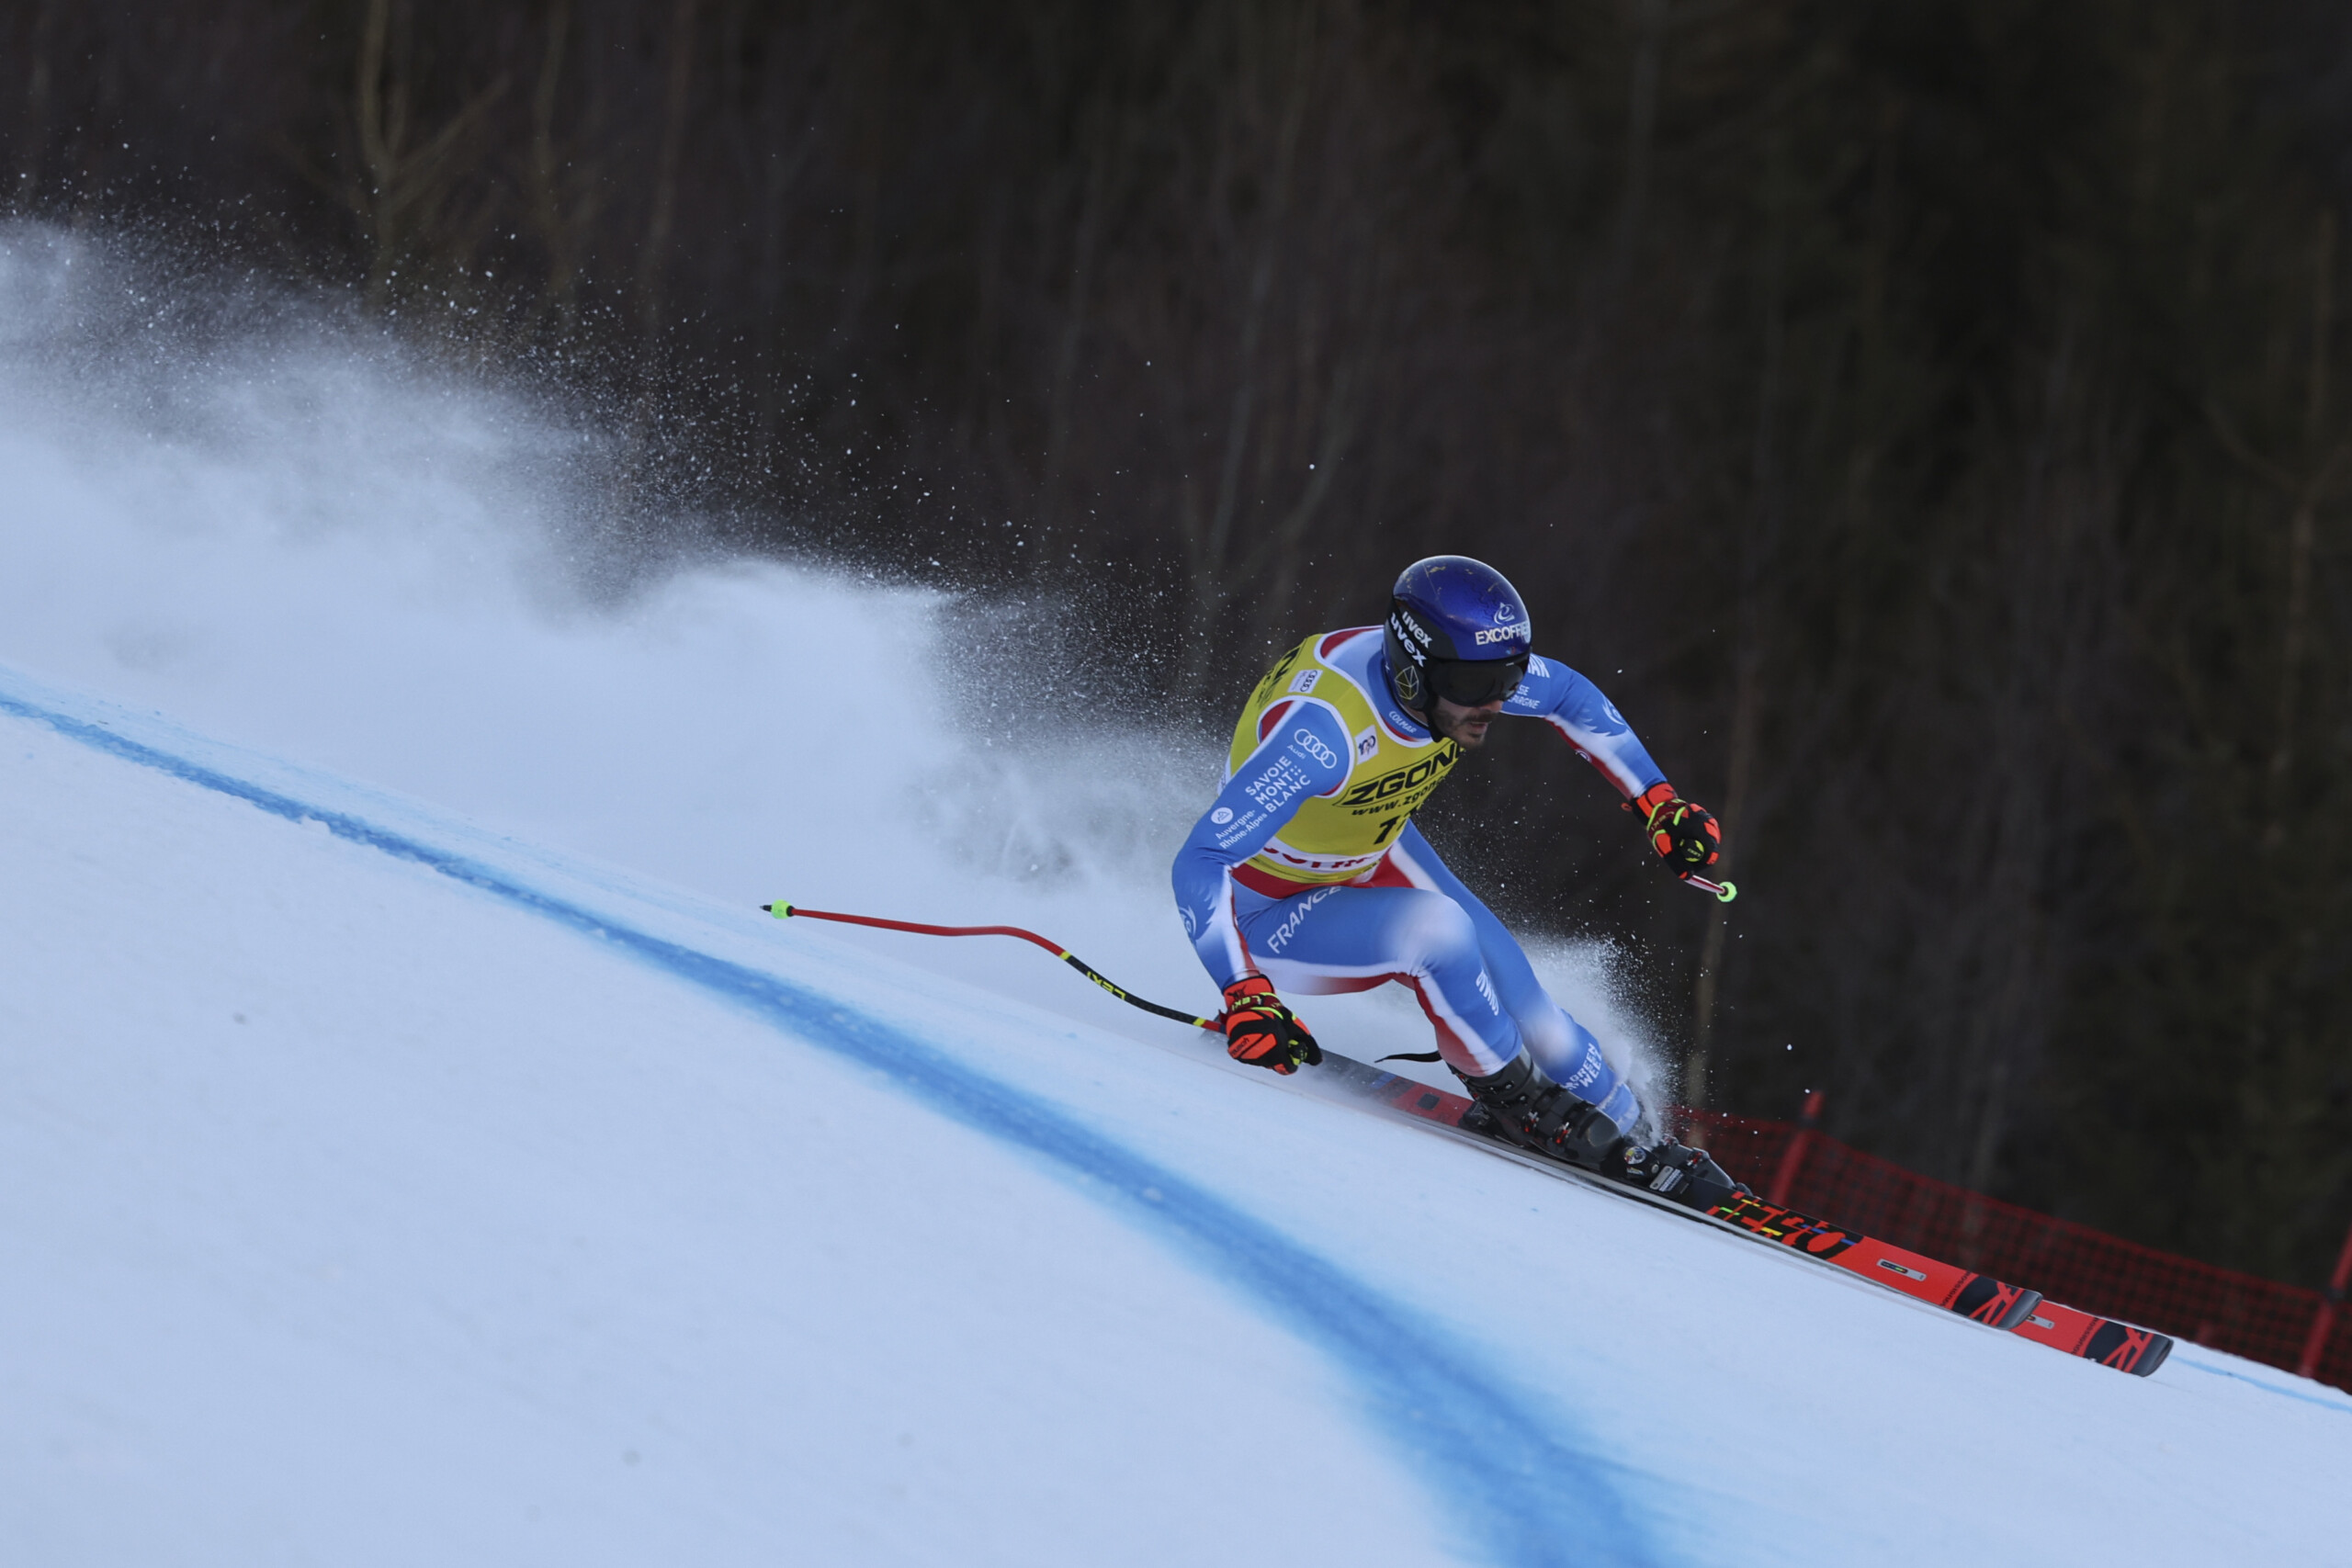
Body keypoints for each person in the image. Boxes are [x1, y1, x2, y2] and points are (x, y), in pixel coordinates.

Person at [1170, 555, 1737, 1205]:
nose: (1496, 699)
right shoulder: (1322, 734)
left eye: (1509, 675)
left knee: (1539, 1018)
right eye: (1478, 683)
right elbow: (1201, 858)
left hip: (1370, 846)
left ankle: (1639, 1134)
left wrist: (1659, 802)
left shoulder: (1458, 675)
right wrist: (1244, 991)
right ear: (1414, 671)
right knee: (1441, 934)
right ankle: (1514, 1101)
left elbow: (1571, 695)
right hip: (1269, 908)